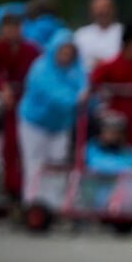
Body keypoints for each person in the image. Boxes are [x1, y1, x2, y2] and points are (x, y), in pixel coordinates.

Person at [17, 28, 86, 198]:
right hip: (35, 124)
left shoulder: (76, 69)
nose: (66, 54)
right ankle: (32, 202)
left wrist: (84, 96)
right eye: (63, 50)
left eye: (69, 51)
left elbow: (86, 86)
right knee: (35, 164)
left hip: (61, 125)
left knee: (57, 165)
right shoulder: (40, 69)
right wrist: (78, 98)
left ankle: (53, 204)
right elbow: (57, 97)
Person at [0, 13, 40, 203]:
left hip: (26, 98)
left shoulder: (30, 49)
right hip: (6, 100)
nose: (11, 31)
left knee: (23, 145)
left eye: (15, 27)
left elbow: (36, 74)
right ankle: (12, 188)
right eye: (8, 27)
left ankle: (26, 187)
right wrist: (2, 89)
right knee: (9, 144)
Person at [85, 110, 132, 174]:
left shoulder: (122, 148)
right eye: (110, 132)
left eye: (118, 132)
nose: (115, 136)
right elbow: (102, 165)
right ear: (101, 133)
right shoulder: (92, 149)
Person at [74, 0, 123, 71]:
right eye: (98, 8)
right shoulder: (81, 35)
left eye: (105, 7)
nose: (102, 12)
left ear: (113, 9)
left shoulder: (123, 32)